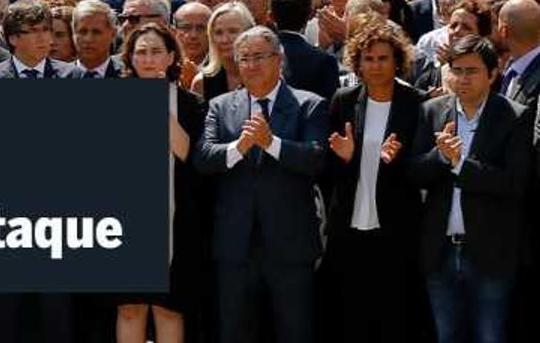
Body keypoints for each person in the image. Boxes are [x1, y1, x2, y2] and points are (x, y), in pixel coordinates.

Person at [196, 26, 328, 343]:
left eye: (259, 57)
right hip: (235, 245)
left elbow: (315, 159)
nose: (251, 65)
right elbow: (203, 158)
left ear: (278, 59)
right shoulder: (221, 105)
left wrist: (272, 143)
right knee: (235, 331)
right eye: (244, 58)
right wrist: (238, 147)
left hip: (289, 246)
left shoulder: (309, 104)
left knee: (293, 331)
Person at [409, 36, 533, 343]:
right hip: (440, 251)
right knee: (447, 334)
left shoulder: (514, 116)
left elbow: (513, 182)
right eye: (457, 70)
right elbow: (414, 173)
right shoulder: (432, 111)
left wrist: (460, 164)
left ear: (492, 73)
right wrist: (440, 156)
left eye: (472, 71)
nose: (462, 78)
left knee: (489, 334)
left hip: (490, 253)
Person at [321, 21, 427, 342]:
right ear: (358, 63)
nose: (376, 65)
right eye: (368, 58)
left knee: (395, 313)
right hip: (350, 225)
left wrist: (396, 161)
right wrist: (344, 157)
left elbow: (422, 170)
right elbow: (329, 170)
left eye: (383, 58)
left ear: (398, 61)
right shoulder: (344, 100)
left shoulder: (417, 103)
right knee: (353, 312)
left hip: (397, 227)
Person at [117, 23, 211, 343]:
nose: (148, 59)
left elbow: (190, 155)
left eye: (156, 51)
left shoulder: (191, 104)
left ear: (171, 57)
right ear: (129, 58)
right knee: (130, 308)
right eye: (141, 52)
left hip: (177, 220)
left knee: (169, 309)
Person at [269, 0, 340, 99]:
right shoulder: (324, 61)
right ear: (310, 14)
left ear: (270, 17)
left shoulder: (256, 56)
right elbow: (331, 109)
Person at [0, 0, 79, 78]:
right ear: (13, 38)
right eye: (34, 31)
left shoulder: (74, 75)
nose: (42, 38)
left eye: (46, 30)